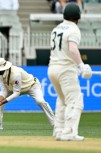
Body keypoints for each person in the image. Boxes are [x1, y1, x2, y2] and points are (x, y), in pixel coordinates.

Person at [48, 3, 92, 141]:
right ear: (78, 16)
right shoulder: (73, 29)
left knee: (62, 100)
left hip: (52, 68)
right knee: (75, 100)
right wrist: (81, 65)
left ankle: (59, 130)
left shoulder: (57, 28)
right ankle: (69, 132)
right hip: (65, 70)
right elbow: (72, 49)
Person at [0, 58, 55, 130]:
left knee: (40, 101)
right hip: (13, 88)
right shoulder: (1, 75)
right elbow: (4, 89)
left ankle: (55, 123)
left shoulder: (15, 73)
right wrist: (0, 99)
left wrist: (2, 101)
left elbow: (16, 93)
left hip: (31, 86)